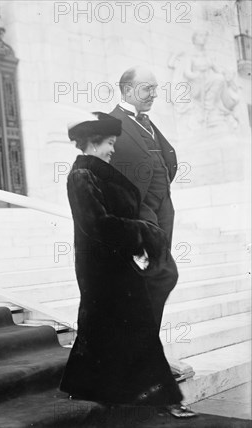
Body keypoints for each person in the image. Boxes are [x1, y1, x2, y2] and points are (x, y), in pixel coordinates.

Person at [59, 112, 195, 418]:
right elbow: (97, 224)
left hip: (112, 264)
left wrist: (144, 231)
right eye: (109, 142)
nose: (113, 149)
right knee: (138, 327)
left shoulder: (98, 173)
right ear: (92, 143)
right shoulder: (82, 176)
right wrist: (143, 233)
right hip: (100, 268)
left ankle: (83, 384)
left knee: (99, 326)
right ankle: (163, 398)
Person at [109, 67, 179, 332]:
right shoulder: (109, 123)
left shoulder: (147, 122)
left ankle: (147, 350)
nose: (154, 94)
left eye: (155, 88)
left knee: (156, 279)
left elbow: (163, 160)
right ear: (128, 90)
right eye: (147, 88)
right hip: (139, 213)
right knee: (157, 276)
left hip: (163, 209)